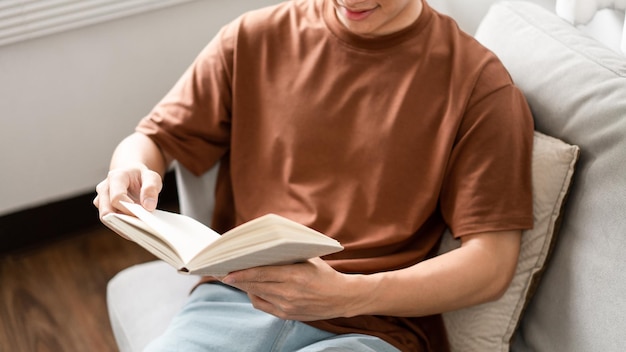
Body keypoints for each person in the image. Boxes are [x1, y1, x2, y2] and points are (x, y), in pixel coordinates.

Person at [94, 0, 534, 351]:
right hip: (230, 303)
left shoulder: (479, 85)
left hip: (369, 329)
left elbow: (491, 265)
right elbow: (153, 138)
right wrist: (128, 169)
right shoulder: (253, 38)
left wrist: (349, 295)